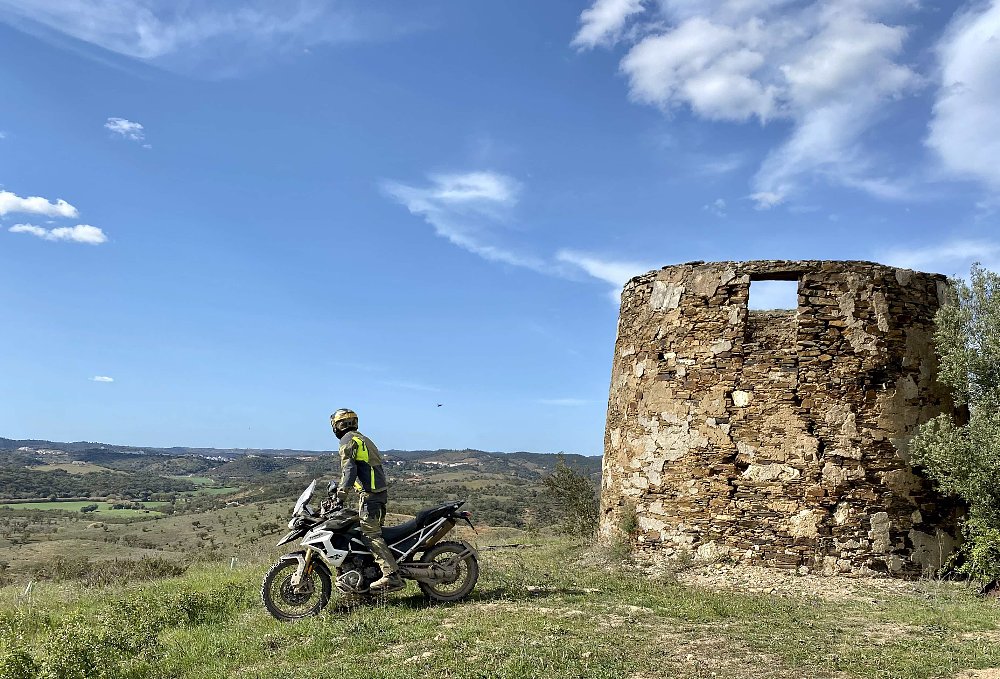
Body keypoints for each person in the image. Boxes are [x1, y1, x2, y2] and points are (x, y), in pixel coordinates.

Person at [328, 408, 404, 592]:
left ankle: (391, 576)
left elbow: (349, 470)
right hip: (377, 493)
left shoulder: (347, 440)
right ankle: (369, 579)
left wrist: (341, 495)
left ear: (337, 426)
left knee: (370, 534)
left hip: (371, 495)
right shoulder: (362, 438)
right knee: (373, 535)